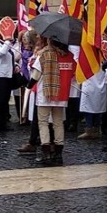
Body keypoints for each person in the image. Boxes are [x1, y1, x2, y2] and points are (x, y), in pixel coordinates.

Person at [31, 38, 73, 166]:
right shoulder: (69, 56)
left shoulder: (44, 55)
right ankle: (59, 153)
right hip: (61, 93)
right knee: (58, 123)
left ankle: (46, 152)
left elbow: (36, 76)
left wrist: (28, 85)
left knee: (43, 123)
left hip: (45, 94)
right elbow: (72, 73)